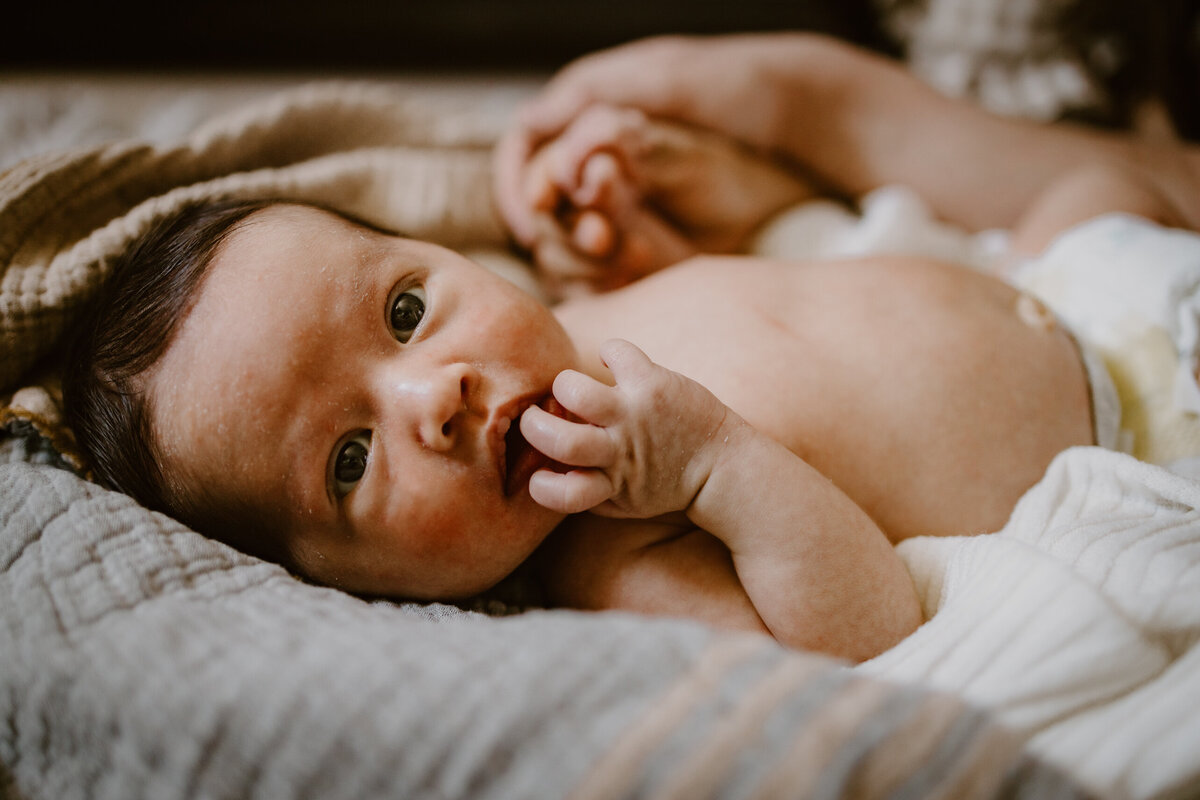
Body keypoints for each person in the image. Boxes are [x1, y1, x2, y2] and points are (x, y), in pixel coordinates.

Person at [63, 33, 1200, 664]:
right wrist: (719, 469)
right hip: (1135, 445)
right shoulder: (612, 552)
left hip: (1051, 287)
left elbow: (782, 281)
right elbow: (865, 640)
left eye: (405, 311)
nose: (433, 395)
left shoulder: (586, 307)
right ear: (337, 581)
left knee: (1105, 182)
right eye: (349, 459)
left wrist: (656, 220)